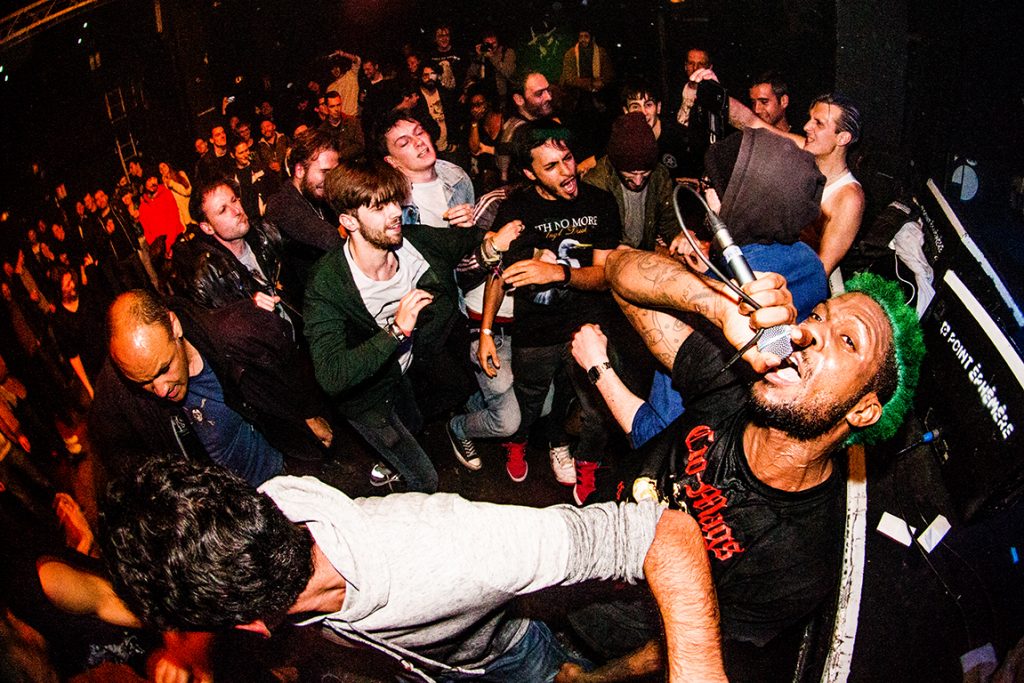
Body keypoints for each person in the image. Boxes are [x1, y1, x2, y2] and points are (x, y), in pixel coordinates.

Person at [560, 250, 924, 681]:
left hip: (598, 641)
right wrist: (718, 304)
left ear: (863, 410)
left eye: (848, 341)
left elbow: (682, 647)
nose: (809, 332)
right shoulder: (733, 382)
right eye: (818, 316)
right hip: (567, 544)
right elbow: (620, 270)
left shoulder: (801, 558)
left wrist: (595, 679)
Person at [99, 456, 728, 682]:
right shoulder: (264, 517)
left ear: (252, 626)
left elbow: (662, 531)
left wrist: (697, 670)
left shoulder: (450, 548)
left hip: (508, 655)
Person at [303, 160, 503, 491]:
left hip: (401, 375)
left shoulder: (413, 244)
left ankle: (393, 455)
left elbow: (465, 240)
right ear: (349, 221)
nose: (396, 212)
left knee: (413, 420)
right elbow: (332, 375)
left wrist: (494, 239)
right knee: (425, 479)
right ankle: (395, 475)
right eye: (379, 207)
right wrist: (396, 331)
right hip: (367, 400)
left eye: (395, 201)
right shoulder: (328, 283)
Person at [479, 121, 622, 505]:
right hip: (536, 331)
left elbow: (604, 277)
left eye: (568, 159)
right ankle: (519, 442)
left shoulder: (600, 203)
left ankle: (584, 461)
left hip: (586, 328)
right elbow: (498, 273)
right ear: (530, 174)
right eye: (552, 166)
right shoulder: (516, 209)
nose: (567, 171)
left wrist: (557, 272)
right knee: (530, 398)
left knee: (594, 405)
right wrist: (486, 333)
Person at [90, 289, 285, 487]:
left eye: (164, 369)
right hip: (234, 500)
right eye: (143, 382)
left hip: (281, 478)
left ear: (175, 328)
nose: (161, 391)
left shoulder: (222, 339)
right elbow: (115, 459)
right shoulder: (115, 391)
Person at [582, 112, 679, 250]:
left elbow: (669, 222)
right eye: (631, 174)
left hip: (643, 251)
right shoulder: (595, 184)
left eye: (645, 173)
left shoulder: (659, 175)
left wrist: (679, 236)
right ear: (616, 165)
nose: (638, 181)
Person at [263, 129, 340, 296]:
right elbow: (330, 239)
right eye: (324, 172)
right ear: (299, 170)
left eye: (335, 172)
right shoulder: (280, 203)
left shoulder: (320, 196)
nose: (331, 180)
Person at [377, 110, 475, 228]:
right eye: (404, 143)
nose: (418, 142)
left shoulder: (456, 176)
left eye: (419, 132)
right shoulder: (390, 199)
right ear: (392, 161)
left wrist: (468, 228)